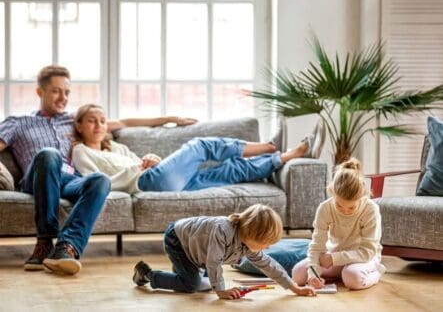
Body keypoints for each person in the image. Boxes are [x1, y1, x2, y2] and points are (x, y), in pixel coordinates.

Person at [0, 65, 196, 275]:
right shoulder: (18, 123)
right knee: (49, 154)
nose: (62, 97)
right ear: (40, 92)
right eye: (56, 91)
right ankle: (44, 241)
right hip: (38, 179)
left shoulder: (73, 120)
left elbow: (124, 122)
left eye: (66, 92)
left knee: (100, 180)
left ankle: (66, 248)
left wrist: (170, 119)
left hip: (69, 180)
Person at [71, 104, 325, 194]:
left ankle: (286, 155)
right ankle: (269, 146)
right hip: (146, 183)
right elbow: (94, 183)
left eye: (102, 120)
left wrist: (150, 158)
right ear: (79, 126)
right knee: (201, 145)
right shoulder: (81, 152)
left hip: (162, 178)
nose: (98, 125)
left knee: (230, 170)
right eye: (91, 120)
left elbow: (141, 160)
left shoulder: (116, 146)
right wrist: (139, 169)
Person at [132, 204, 316, 299]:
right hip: (179, 240)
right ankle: (147, 274)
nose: (267, 248)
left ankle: (182, 272)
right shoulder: (223, 230)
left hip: (197, 249)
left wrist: (294, 288)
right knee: (192, 285)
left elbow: (269, 265)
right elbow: (214, 262)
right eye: (264, 243)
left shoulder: (248, 244)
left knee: (202, 282)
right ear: (250, 234)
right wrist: (221, 291)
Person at [291, 158, 385, 290]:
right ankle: (340, 274)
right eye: (339, 205)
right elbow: (317, 246)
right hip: (334, 256)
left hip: (364, 258)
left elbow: (367, 251)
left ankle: (376, 273)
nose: (345, 211)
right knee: (298, 274)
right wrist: (313, 275)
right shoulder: (325, 208)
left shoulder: (370, 209)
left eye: (351, 207)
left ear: (363, 196)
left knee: (352, 278)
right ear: (332, 192)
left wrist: (334, 259)